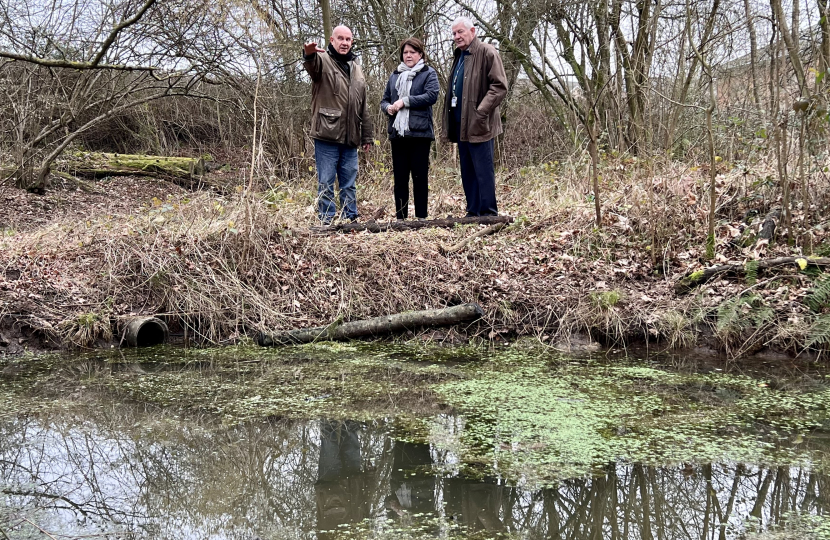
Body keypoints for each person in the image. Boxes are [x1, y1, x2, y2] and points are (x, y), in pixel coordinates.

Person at [303, 25, 373, 224]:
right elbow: (312, 66)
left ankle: (350, 217)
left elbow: (363, 105)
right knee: (326, 181)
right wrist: (308, 54)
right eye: (340, 38)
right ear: (332, 40)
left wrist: (366, 135)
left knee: (349, 181)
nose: (345, 43)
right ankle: (326, 219)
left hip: (351, 136)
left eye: (348, 39)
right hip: (327, 133)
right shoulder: (323, 60)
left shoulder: (357, 68)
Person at [440, 17, 508, 217]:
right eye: (453, 34)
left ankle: (488, 213)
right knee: (468, 170)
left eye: (460, 32)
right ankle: (473, 212)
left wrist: (480, 112)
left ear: (473, 31)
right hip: (461, 123)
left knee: (483, 171)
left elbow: (499, 86)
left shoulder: (487, 51)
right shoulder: (459, 56)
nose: (457, 37)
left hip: (480, 123)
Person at [380, 38, 440, 220]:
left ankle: (421, 218)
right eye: (405, 52)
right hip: (398, 134)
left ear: (420, 54)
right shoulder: (395, 75)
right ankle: (401, 218)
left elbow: (431, 96)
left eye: (412, 52)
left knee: (420, 178)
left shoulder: (429, 73)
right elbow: (384, 100)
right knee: (400, 180)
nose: (408, 55)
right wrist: (388, 107)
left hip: (420, 133)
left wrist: (405, 101)